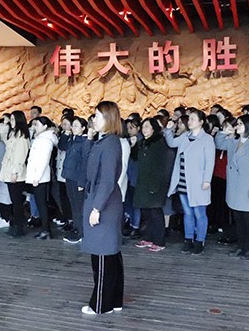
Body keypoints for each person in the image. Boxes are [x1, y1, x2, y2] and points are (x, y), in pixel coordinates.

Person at [81, 101, 124, 315]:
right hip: (102, 198)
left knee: (103, 253)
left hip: (103, 202)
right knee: (110, 253)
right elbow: (88, 164)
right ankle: (114, 300)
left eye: (97, 116)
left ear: (108, 119)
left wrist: (96, 208)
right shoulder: (104, 141)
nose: (94, 119)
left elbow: (107, 180)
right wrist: (89, 139)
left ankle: (101, 305)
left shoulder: (110, 144)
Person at [164, 109, 215, 255]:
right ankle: (188, 239)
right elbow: (172, 143)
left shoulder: (207, 139)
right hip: (182, 180)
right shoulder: (185, 136)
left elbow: (210, 161)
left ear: (201, 122)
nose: (190, 121)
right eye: (190, 119)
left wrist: (207, 180)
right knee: (187, 212)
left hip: (198, 182)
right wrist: (168, 130)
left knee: (199, 212)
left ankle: (200, 240)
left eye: (193, 119)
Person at [216, 115, 249, 260]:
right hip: (234, 186)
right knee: (238, 219)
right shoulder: (234, 141)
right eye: (237, 124)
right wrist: (224, 132)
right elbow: (219, 143)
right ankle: (241, 246)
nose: (237, 126)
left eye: (240, 124)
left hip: (247, 186)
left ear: (248, 126)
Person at [133, 118, 173, 252]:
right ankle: (148, 238)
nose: (144, 129)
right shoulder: (143, 143)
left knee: (156, 213)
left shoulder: (159, 144)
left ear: (154, 129)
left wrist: (155, 185)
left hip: (155, 185)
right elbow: (135, 158)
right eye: (143, 127)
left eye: (147, 127)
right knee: (146, 212)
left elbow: (161, 167)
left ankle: (159, 241)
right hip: (143, 184)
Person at [25, 116, 58, 240]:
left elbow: (43, 160)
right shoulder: (40, 138)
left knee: (42, 204)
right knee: (40, 203)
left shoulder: (45, 140)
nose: (35, 127)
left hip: (39, 177)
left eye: (37, 125)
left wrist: (37, 177)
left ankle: (46, 230)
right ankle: (45, 229)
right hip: (36, 176)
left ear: (45, 126)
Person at [0, 110, 31, 237]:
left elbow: (20, 156)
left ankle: (19, 228)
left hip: (16, 174)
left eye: (13, 119)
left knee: (17, 202)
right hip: (9, 170)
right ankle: (17, 225)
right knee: (14, 200)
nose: (11, 122)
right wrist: (5, 124)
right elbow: (5, 140)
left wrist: (15, 172)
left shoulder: (22, 136)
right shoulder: (13, 133)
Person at [61, 117, 89, 244]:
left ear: (83, 128)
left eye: (77, 126)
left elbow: (85, 164)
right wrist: (66, 134)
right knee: (73, 204)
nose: (73, 128)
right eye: (73, 126)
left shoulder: (85, 142)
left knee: (79, 206)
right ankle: (76, 228)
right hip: (69, 176)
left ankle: (81, 231)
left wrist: (82, 182)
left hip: (77, 178)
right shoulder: (72, 140)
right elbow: (62, 146)